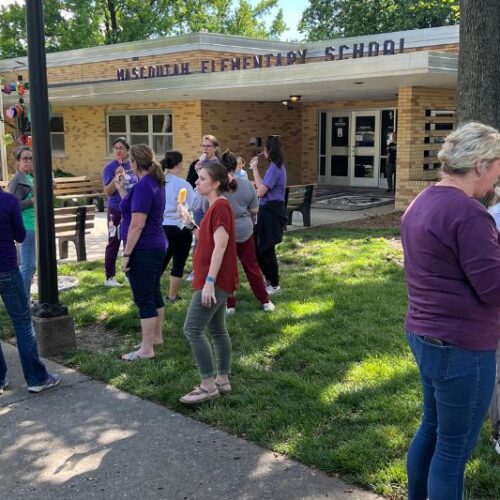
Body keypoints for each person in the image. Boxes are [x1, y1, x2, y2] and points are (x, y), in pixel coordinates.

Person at [401, 122, 500, 500]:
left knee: (432, 429)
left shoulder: (423, 200)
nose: (495, 180)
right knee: (453, 450)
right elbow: (494, 289)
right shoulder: (468, 213)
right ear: (478, 164)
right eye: (495, 169)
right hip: (461, 345)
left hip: (426, 334)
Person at [177, 161, 239, 404]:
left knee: (192, 329)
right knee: (217, 329)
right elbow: (207, 238)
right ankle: (222, 380)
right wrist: (189, 222)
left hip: (214, 280)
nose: (196, 182)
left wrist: (210, 282)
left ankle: (207, 385)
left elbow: (221, 246)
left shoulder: (221, 207)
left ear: (216, 183)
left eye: (202, 178)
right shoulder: (215, 207)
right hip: (214, 279)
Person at [0, 186, 60, 395]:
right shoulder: (9, 201)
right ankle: (36, 378)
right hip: (7, 268)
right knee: (23, 323)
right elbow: (21, 235)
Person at [116, 145, 167, 361]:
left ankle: (147, 350)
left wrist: (126, 255)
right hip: (156, 245)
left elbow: (137, 224)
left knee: (143, 297)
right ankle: (155, 337)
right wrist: (121, 190)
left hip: (144, 248)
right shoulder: (152, 182)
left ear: (134, 163)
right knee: (154, 291)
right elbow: (133, 207)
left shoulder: (144, 185)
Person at [219, 150, 275, 313]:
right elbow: (255, 209)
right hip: (245, 231)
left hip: (224, 232)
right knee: (252, 267)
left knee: (227, 269)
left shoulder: (217, 186)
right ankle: (265, 301)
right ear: (236, 166)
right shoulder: (246, 185)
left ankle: (230, 305)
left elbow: (206, 207)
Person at [160, 150, 201, 302]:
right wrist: (198, 191)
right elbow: (196, 204)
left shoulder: (158, 181)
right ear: (178, 165)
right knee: (178, 262)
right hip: (180, 226)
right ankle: (172, 296)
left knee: (161, 261)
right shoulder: (183, 184)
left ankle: (150, 293)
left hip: (162, 226)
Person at [249, 135, 288, 295]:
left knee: (266, 248)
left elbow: (260, 191)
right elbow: (262, 188)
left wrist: (255, 169)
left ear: (267, 150)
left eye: (264, 149)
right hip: (269, 210)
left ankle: (274, 284)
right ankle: (270, 280)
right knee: (259, 247)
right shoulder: (276, 166)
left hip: (271, 211)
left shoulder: (274, 168)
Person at [102, 137, 138, 287]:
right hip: (116, 209)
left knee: (130, 241)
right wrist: (116, 176)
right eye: (116, 148)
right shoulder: (110, 168)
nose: (118, 151)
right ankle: (110, 277)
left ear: (128, 150)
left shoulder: (134, 166)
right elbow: (108, 192)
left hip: (132, 209)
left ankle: (130, 274)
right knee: (114, 241)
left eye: (121, 148)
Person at [8, 146, 36, 296]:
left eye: (31, 158)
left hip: (35, 227)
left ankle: (25, 298)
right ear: (17, 162)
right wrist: (32, 201)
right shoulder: (17, 180)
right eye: (25, 158)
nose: (29, 161)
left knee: (32, 267)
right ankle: (23, 302)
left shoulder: (29, 177)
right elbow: (12, 205)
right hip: (26, 228)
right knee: (27, 267)